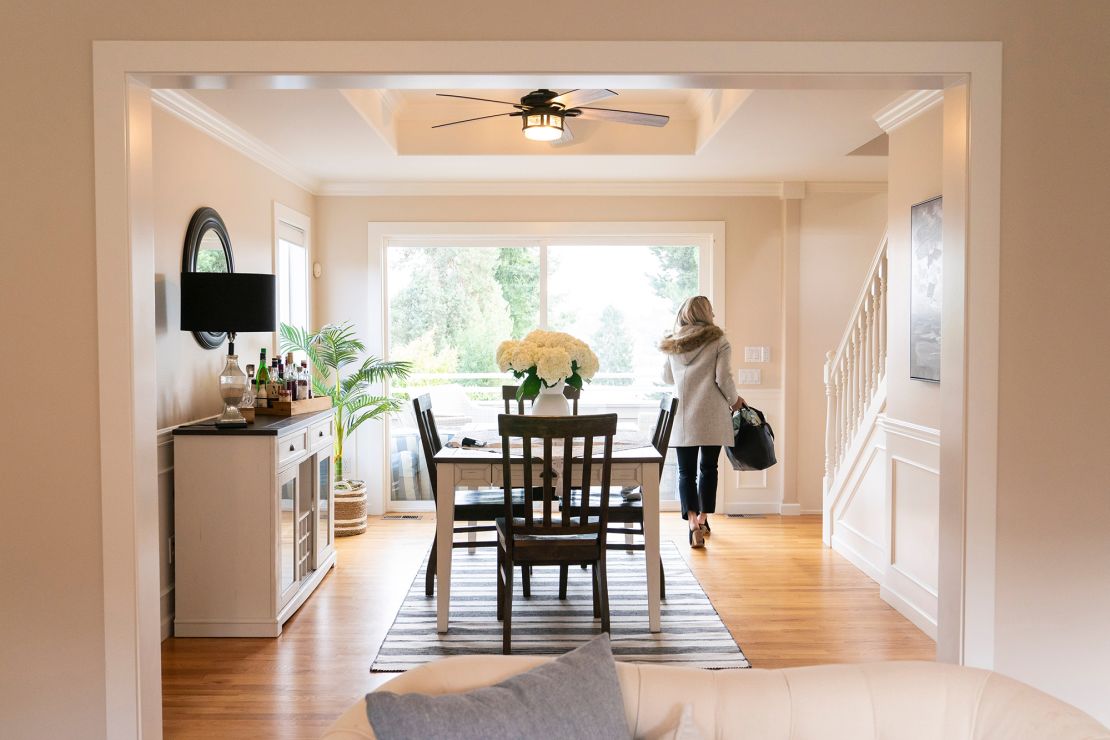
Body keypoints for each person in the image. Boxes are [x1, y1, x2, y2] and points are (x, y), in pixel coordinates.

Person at [660, 296, 744, 548]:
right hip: (712, 415)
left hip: (683, 416)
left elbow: (666, 377)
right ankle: (705, 519)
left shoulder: (673, 343)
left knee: (686, 472)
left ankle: (693, 523)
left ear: (684, 314)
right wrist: (736, 400)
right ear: (707, 314)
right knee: (708, 468)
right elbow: (723, 378)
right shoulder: (718, 340)